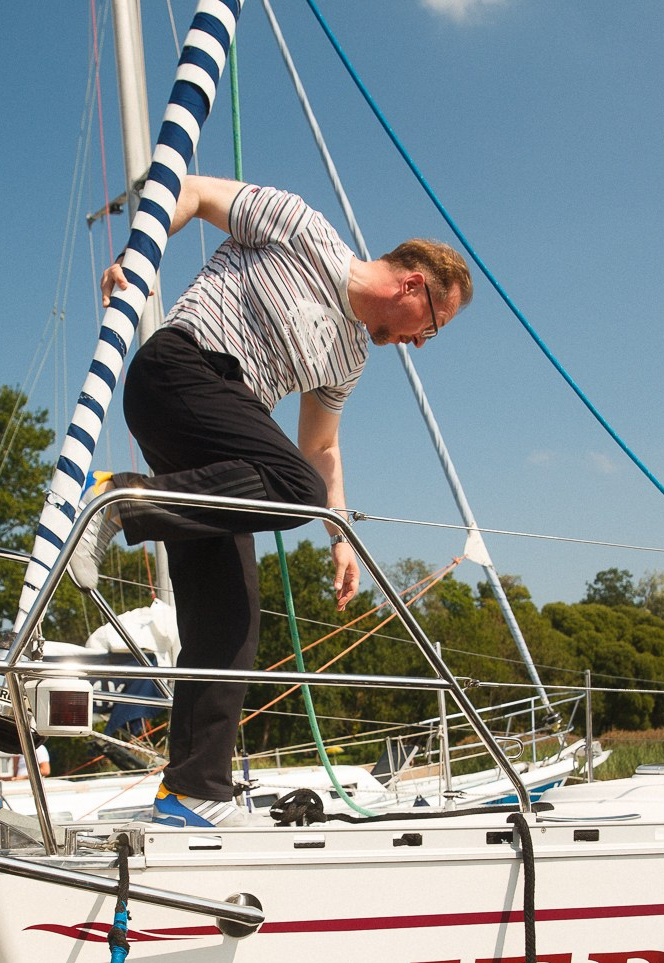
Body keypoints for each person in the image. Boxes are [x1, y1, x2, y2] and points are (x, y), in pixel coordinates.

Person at [78, 177, 471, 825]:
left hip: (211, 455)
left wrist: (339, 537)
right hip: (181, 370)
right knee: (297, 491)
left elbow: (319, 448)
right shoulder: (302, 228)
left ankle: (190, 793)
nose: (421, 344)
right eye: (431, 327)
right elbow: (197, 193)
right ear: (412, 286)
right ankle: (124, 502)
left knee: (231, 619)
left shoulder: (349, 357)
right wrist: (140, 255)